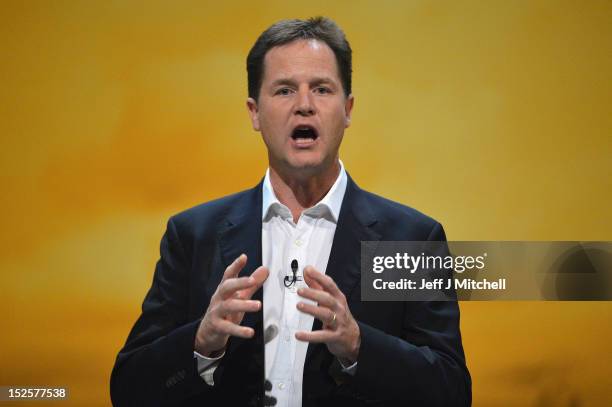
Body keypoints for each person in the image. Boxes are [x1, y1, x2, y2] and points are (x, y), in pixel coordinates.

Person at [110, 16, 471, 407]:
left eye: (321, 89)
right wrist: (201, 343)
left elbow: (451, 392)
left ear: (347, 109)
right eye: (284, 91)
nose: (304, 106)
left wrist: (358, 347)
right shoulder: (193, 236)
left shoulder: (410, 240)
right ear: (254, 113)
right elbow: (128, 390)